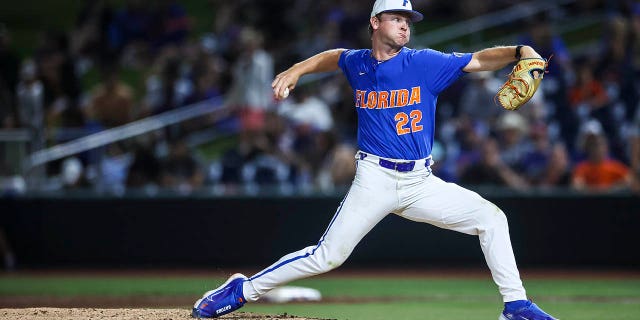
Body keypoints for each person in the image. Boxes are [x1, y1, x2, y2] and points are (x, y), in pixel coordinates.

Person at [192, 1, 558, 319]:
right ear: (375, 23)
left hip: (420, 182)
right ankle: (243, 290)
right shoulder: (358, 63)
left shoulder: (424, 63)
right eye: (397, 17)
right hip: (374, 179)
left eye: (408, 19)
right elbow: (333, 57)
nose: (404, 24)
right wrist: (297, 69)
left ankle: (515, 306)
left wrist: (519, 50)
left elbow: (477, 60)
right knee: (327, 257)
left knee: (492, 218)